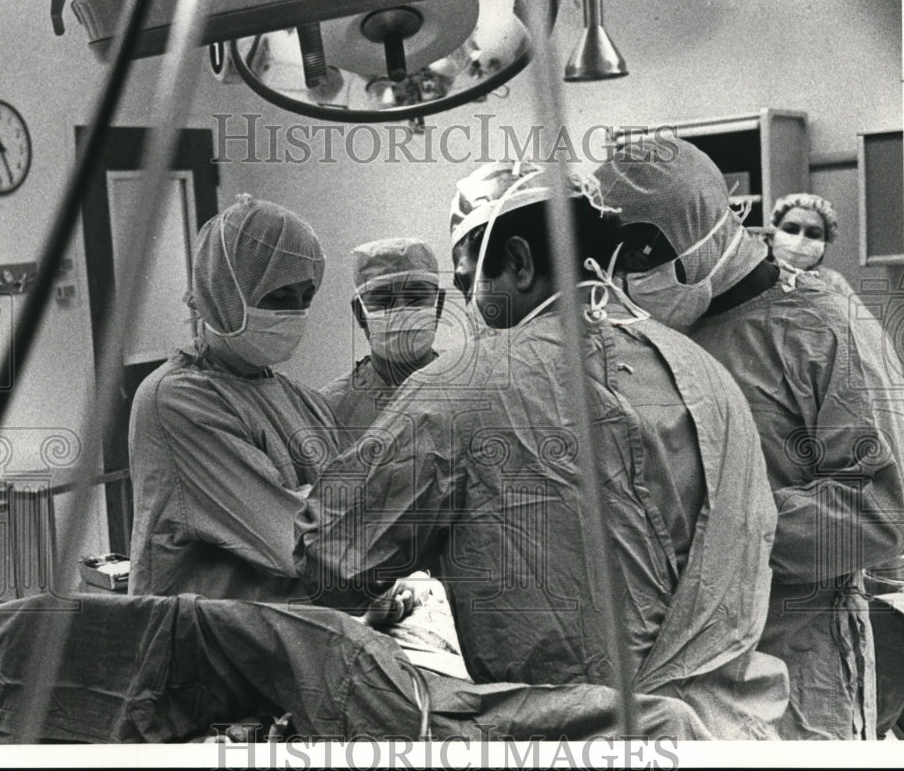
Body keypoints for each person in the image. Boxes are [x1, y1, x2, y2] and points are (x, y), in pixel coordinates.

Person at [295, 162, 790, 739]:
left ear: (520, 261)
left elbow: (332, 564)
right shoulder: (705, 371)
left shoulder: (464, 387)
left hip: (585, 737)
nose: (469, 302)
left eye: (467, 280)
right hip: (736, 730)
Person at [595, 137, 904, 740]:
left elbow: (877, 513)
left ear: (705, 229)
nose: (629, 276)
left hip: (799, 653)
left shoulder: (824, 328)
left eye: (642, 252)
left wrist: (718, 535)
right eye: (616, 256)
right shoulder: (656, 337)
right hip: (679, 659)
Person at [128, 194, 349, 601]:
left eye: (305, 298)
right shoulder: (176, 399)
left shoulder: (302, 400)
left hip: (297, 636)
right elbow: (295, 542)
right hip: (207, 646)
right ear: (225, 294)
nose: (294, 314)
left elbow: (347, 521)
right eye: (279, 299)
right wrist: (313, 511)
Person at [321, 237, 444, 440]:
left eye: (416, 298)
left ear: (438, 308)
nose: (401, 311)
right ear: (360, 314)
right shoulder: (328, 411)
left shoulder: (474, 392)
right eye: (384, 301)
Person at [767, 193, 858, 300]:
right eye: (790, 229)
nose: (800, 240)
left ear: (824, 246)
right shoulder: (752, 279)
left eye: (813, 234)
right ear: (771, 237)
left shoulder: (833, 283)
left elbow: (859, 316)